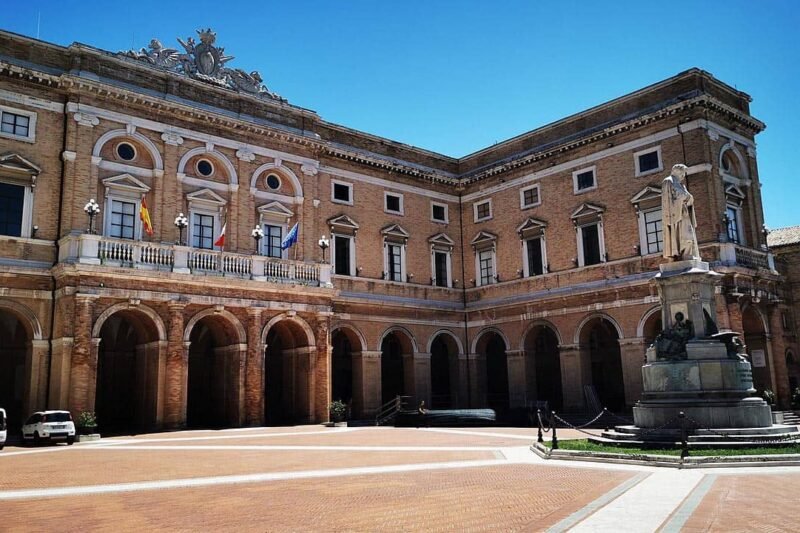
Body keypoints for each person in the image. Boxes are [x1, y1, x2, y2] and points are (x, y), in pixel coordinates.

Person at [662, 164, 700, 261]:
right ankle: (682, 254)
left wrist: (687, 198)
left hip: (684, 213)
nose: (683, 176)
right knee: (684, 236)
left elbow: (689, 198)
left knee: (689, 235)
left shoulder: (681, 185)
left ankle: (687, 254)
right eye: (682, 173)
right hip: (675, 215)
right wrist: (684, 197)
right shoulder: (668, 181)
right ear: (677, 172)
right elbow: (667, 201)